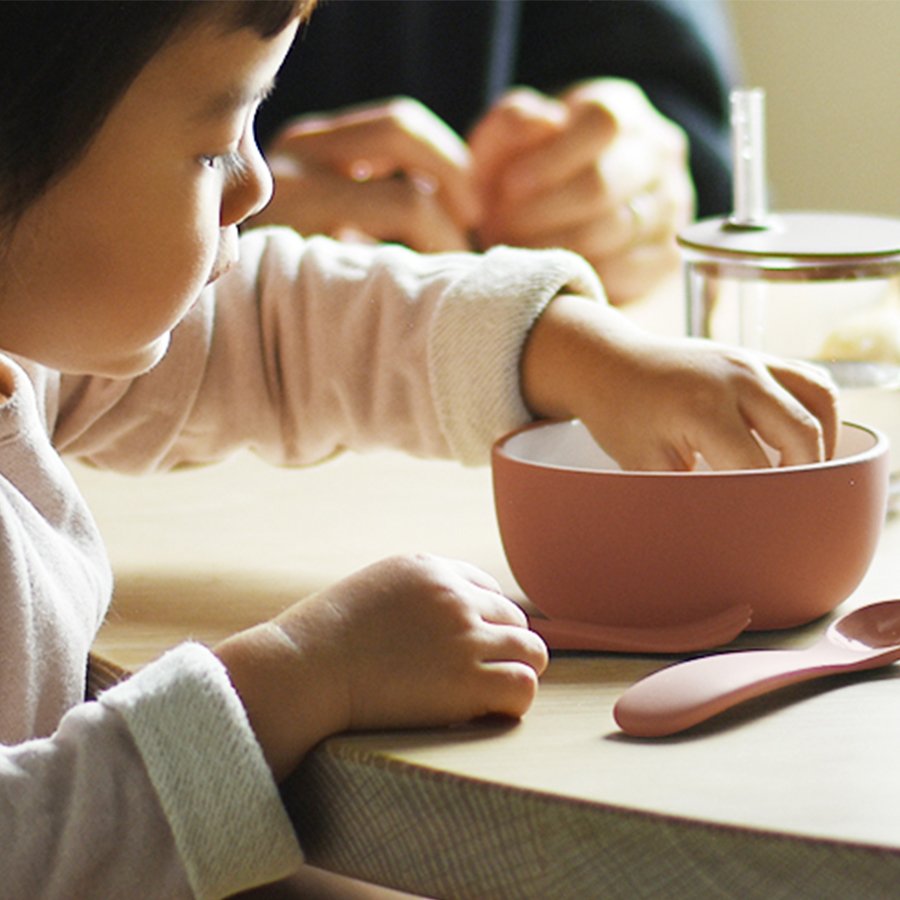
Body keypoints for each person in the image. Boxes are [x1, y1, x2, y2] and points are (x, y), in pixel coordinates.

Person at [0, 1, 835, 897]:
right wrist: (297, 680)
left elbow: (271, 335)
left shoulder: (32, 350)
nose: (256, 186)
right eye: (212, 147)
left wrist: (573, 349)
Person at [249, 0, 739, 303]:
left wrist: (636, 178)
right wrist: (218, 217)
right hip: (216, 390)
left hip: (530, 347)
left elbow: (682, 118)